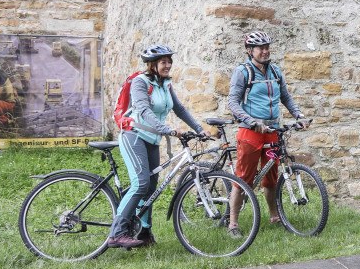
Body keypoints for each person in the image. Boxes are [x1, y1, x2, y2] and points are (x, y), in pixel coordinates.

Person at [105, 44, 212, 249]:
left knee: (151, 187)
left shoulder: (165, 84)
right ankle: (117, 233)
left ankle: (143, 232)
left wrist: (199, 129)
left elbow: (179, 109)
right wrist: (167, 129)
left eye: (169, 61)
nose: (168, 65)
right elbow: (144, 111)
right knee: (141, 183)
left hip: (152, 140)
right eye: (163, 61)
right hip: (134, 136)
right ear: (152, 65)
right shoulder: (140, 82)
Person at [227, 31, 309, 236]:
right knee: (243, 178)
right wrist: (251, 122)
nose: (265, 51)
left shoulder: (275, 71)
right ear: (250, 51)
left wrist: (299, 115)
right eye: (260, 48)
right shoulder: (243, 72)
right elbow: (233, 103)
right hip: (251, 132)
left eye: (267, 47)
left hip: (272, 131)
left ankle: (274, 217)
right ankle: (233, 224)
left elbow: (286, 97)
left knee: (271, 177)